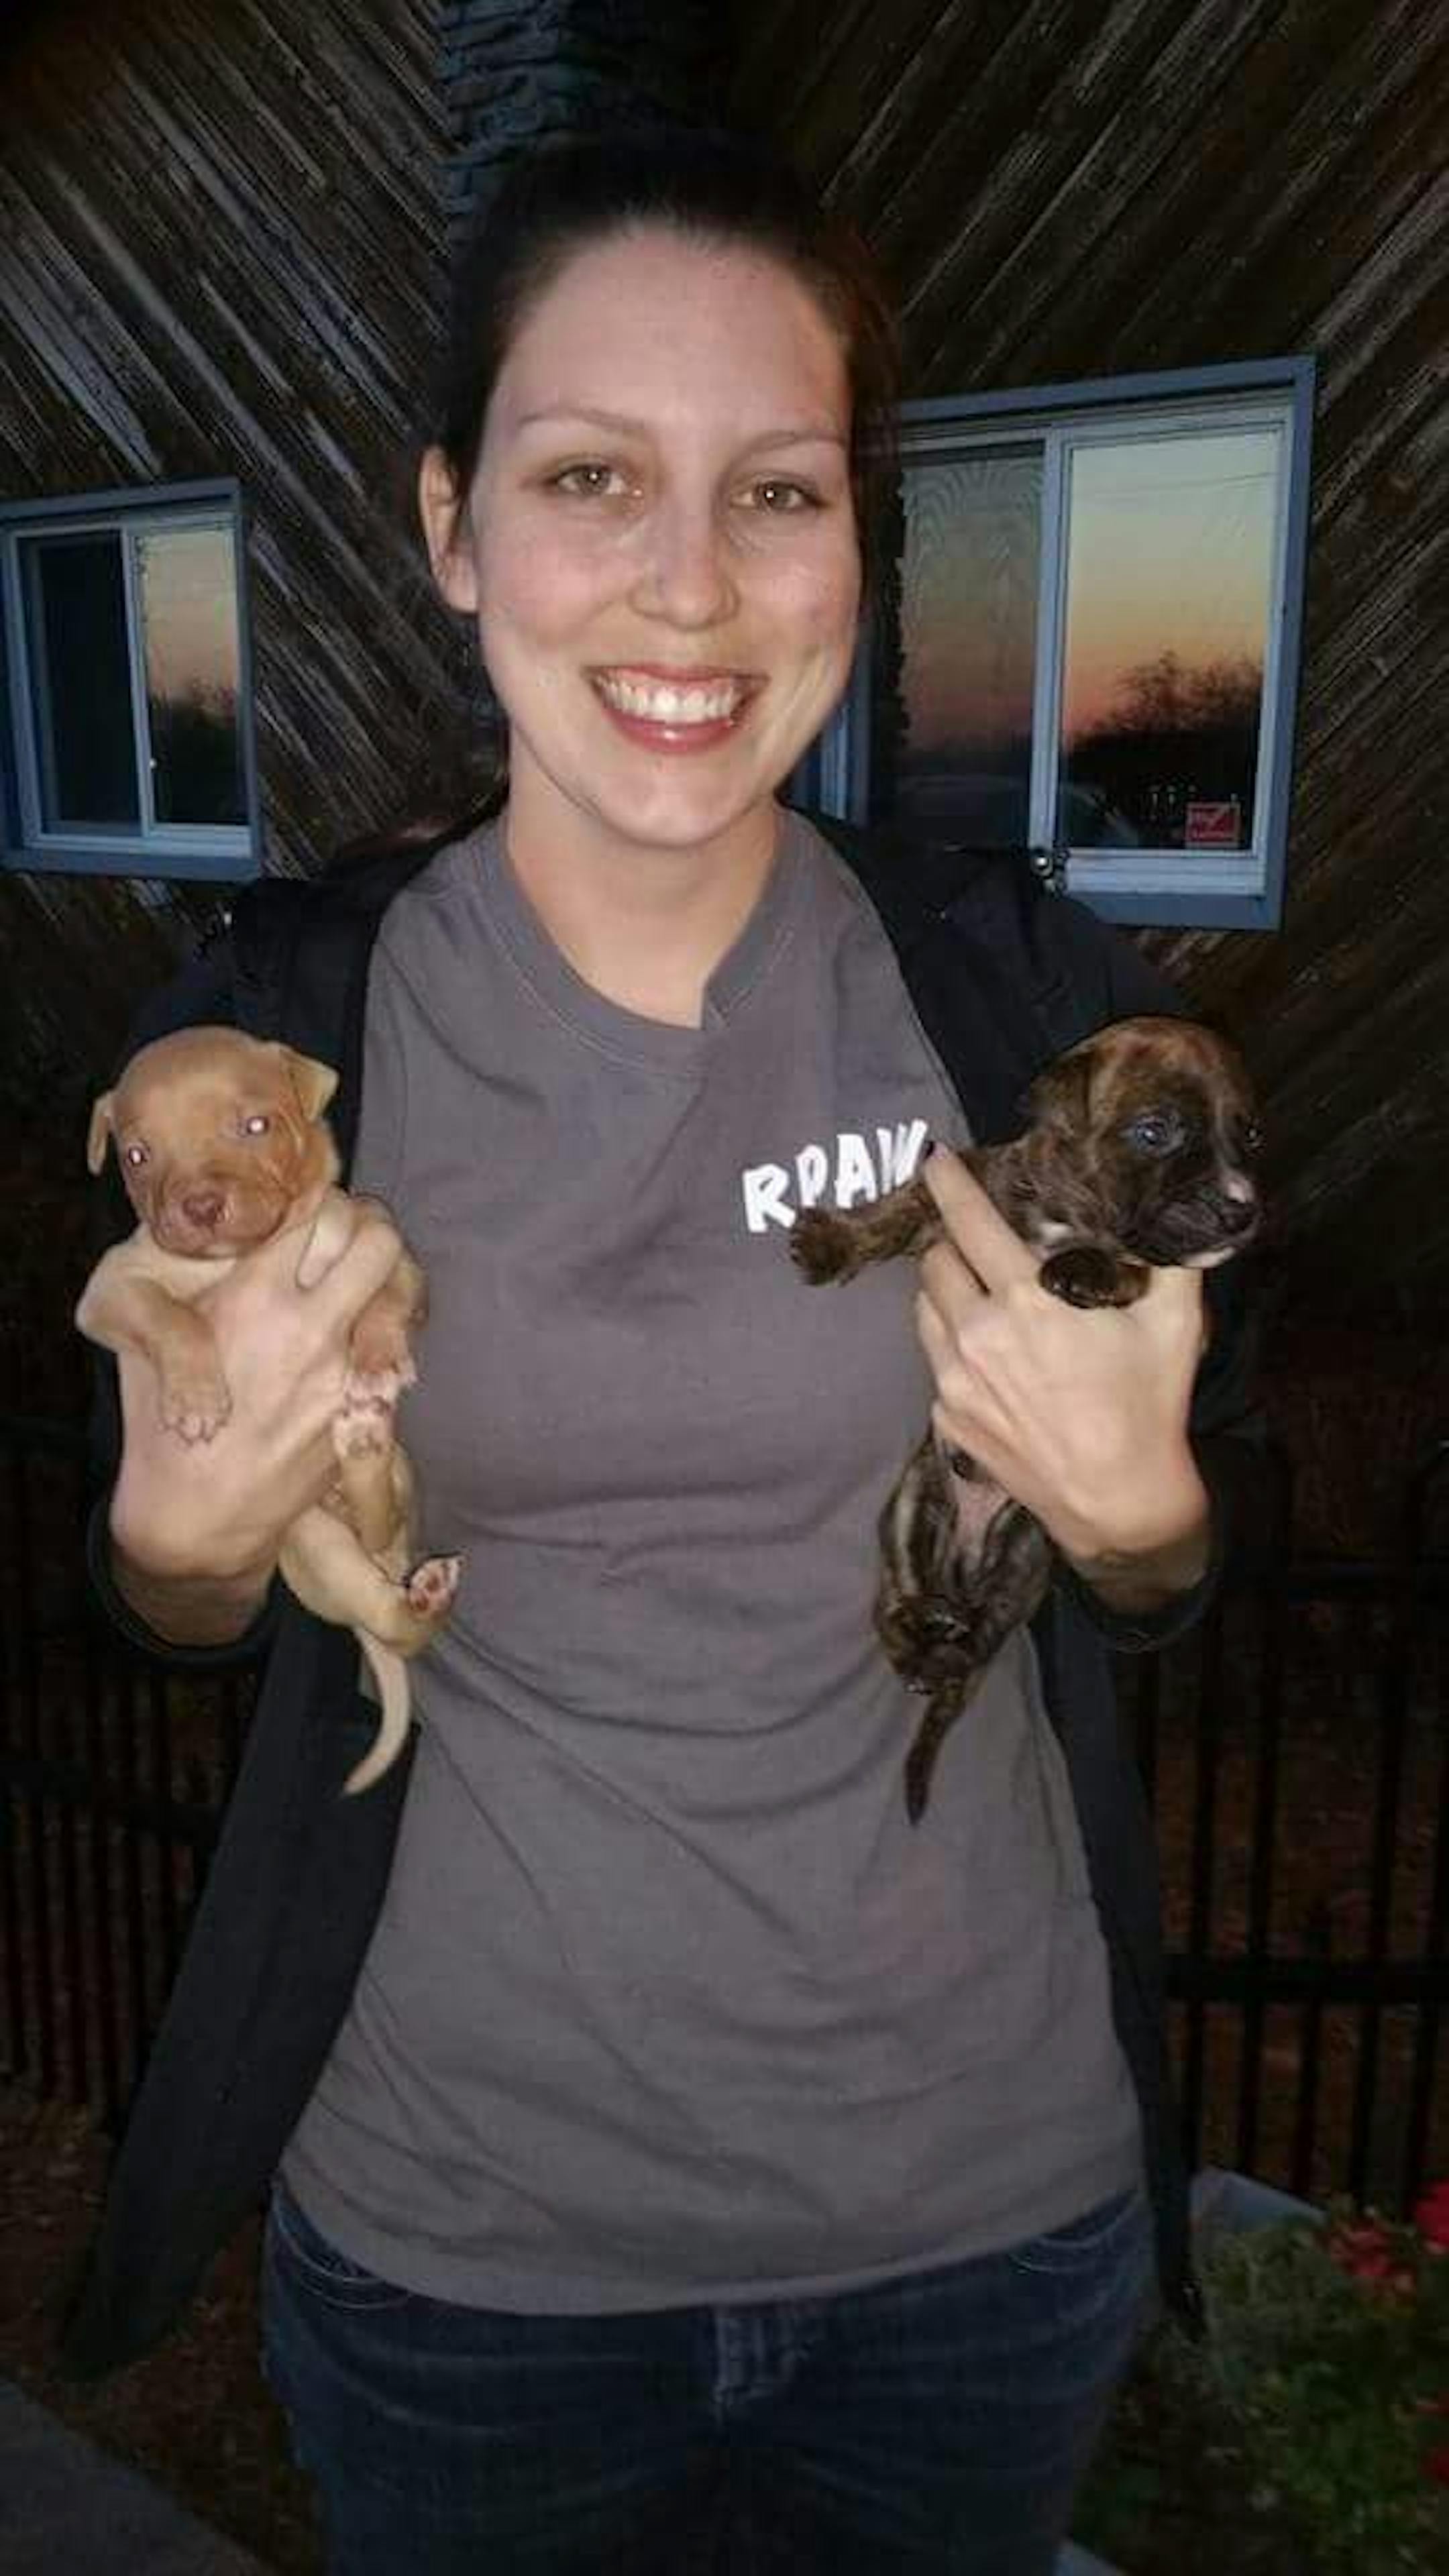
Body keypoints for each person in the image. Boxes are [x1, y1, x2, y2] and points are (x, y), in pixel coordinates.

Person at [69, 131, 1259, 2575]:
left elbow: (1167, 1558)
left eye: (781, 491)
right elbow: (185, 1592)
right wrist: (177, 1559)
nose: (692, 584)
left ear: (858, 540)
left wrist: (1148, 1528)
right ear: (450, 528)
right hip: (468, 2264)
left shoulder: (1006, 1000)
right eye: (591, 475)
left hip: (985, 2237)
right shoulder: (281, 1052)